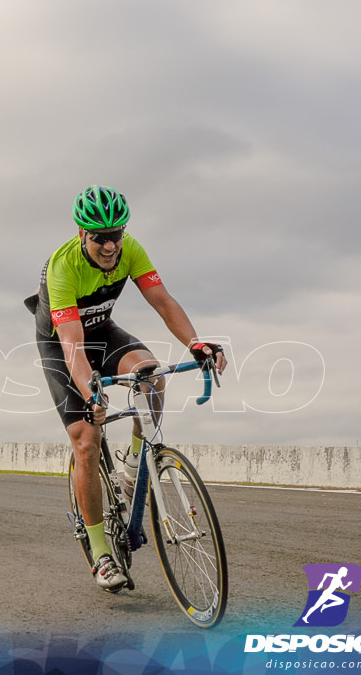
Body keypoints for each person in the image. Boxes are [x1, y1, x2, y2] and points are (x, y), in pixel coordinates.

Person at [26, 185, 226, 592]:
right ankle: (100, 554)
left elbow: (163, 301)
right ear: (82, 233)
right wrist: (92, 393)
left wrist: (195, 343)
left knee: (152, 375)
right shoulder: (63, 267)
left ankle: (134, 467)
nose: (109, 244)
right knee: (86, 437)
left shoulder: (130, 248)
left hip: (103, 332)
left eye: (115, 234)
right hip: (63, 343)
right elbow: (71, 344)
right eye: (99, 237)